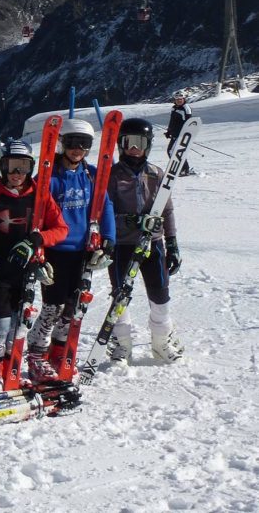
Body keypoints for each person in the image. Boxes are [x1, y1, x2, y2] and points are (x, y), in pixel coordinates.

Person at [25, 119, 116, 381]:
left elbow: (105, 205)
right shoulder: (48, 176)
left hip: (83, 250)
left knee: (72, 307)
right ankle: (37, 353)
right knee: (52, 306)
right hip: (55, 249)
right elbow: (36, 212)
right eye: (72, 143)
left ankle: (57, 350)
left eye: (84, 144)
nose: (77, 149)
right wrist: (38, 249)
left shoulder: (91, 174)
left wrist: (108, 238)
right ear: (62, 143)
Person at [0, 140, 68, 389]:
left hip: (27, 272)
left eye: (22, 166)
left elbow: (61, 228)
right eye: (11, 167)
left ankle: (13, 366)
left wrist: (38, 239)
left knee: (21, 323)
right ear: (2, 167)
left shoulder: (40, 196)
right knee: (2, 325)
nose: (17, 173)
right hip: (0, 271)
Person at [105, 118, 184, 364]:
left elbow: (167, 210)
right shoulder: (113, 176)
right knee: (121, 294)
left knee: (160, 292)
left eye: (140, 143)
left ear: (148, 145)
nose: (134, 148)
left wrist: (171, 242)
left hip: (153, 244)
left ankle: (161, 342)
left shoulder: (157, 173)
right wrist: (130, 221)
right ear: (120, 144)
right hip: (122, 245)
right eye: (128, 142)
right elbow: (103, 212)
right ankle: (123, 344)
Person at [165, 91, 195, 176]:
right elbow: (172, 121)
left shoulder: (186, 108)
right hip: (174, 134)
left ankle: (184, 169)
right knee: (172, 151)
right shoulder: (174, 108)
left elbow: (189, 122)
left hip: (181, 134)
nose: (179, 101)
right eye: (177, 99)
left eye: (180, 99)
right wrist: (169, 131)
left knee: (173, 151)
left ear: (183, 99)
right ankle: (183, 169)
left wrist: (187, 134)